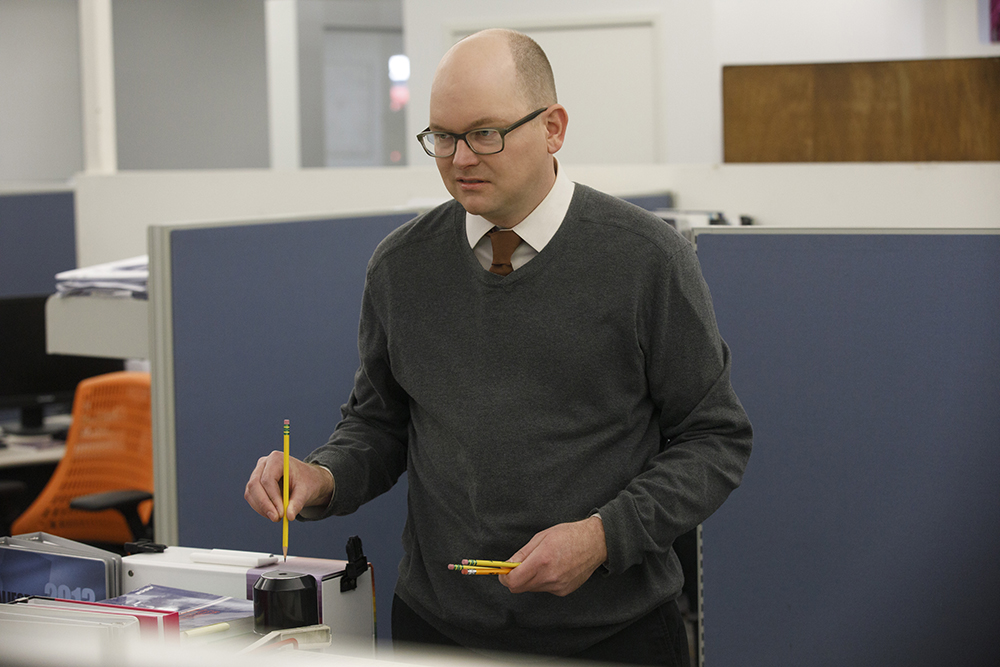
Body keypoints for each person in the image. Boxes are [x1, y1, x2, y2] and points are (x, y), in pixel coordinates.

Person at [245, 28, 751, 666]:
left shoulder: (646, 259)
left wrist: (602, 537)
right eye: (443, 137)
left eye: (485, 133)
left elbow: (715, 438)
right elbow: (379, 424)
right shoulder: (401, 267)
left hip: (612, 635)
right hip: (438, 631)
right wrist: (321, 476)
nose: (459, 158)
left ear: (554, 128)